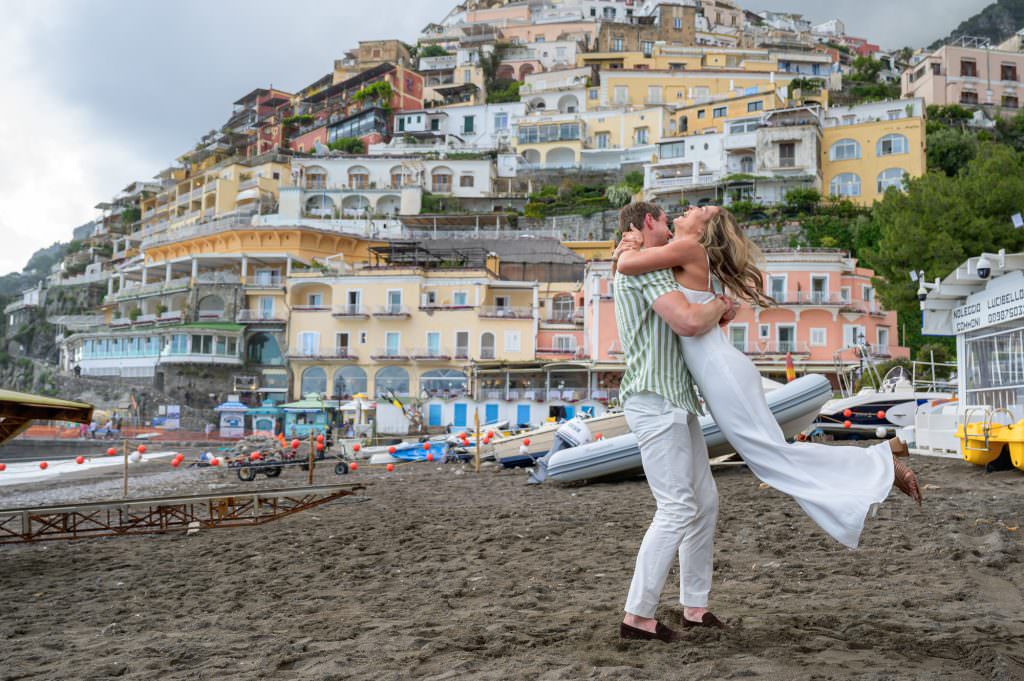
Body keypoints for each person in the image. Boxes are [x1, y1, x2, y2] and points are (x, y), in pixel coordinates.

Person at [613, 205, 922, 552]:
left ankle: (880, 463)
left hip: (721, 373)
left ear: (704, 228)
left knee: (772, 458)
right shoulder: (682, 256)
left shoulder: (687, 248)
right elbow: (701, 315)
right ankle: (878, 465)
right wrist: (720, 306)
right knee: (772, 458)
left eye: (700, 209)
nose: (689, 209)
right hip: (720, 370)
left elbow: (626, 267)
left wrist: (630, 245)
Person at [613, 201, 736, 643]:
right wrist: (718, 306)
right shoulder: (643, 268)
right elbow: (686, 322)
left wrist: (716, 310)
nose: (669, 230)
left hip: (675, 399)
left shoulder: (650, 265)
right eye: (665, 222)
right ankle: (638, 616)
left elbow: (694, 318)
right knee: (678, 507)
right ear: (648, 222)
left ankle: (696, 607)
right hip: (654, 398)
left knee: (704, 503)